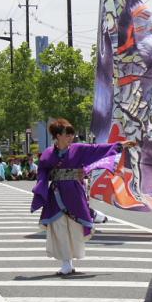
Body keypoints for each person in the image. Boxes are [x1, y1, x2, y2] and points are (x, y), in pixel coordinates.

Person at [31, 118, 133, 276]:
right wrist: (41, 186)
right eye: (67, 134)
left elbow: (97, 149)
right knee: (59, 227)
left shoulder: (78, 148)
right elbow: (43, 171)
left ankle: (92, 215)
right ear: (57, 136)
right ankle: (66, 263)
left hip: (74, 191)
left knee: (75, 227)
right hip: (56, 194)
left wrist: (120, 145)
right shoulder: (48, 153)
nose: (71, 137)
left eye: (72, 134)